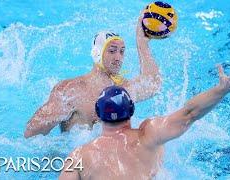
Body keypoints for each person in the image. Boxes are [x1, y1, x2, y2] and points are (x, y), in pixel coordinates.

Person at [59, 65, 230, 179]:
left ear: (98, 116)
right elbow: (189, 113)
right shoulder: (149, 134)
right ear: (132, 110)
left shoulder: (78, 156)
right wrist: (221, 90)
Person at [24, 15, 162, 138]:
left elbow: (153, 85)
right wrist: (55, 112)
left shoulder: (122, 90)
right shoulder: (71, 90)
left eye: (122, 52)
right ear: (97, 53)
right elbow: (30, 132)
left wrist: (142, 42)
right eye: (112, 51)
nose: (118, 57)